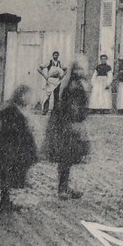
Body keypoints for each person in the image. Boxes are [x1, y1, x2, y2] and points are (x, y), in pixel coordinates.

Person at [44, 55, 91, 199]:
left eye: (83, 69)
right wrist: (75, 121)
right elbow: (71, 107)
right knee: (66, 157)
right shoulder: (73, 86)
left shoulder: (79, 85)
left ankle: (65, 186)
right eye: (78, 69)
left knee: (69, 158)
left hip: (73, 123)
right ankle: (62, 188)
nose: (81, 72)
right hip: (68, 125)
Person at [0, 84, 37, 212]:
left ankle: (5, 200)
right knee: (0, 174)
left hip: (14, 146)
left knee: (7, 175)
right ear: (21, 95)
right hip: (6, 146)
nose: (30, 99)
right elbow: (11, 128)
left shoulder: (22, 109)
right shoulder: (11, 110)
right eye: (28, 96)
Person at [36, 50, 66, 115]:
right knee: (47, 96)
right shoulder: (49, 62)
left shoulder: (60, 63)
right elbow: (39, 68)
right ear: (52, 56)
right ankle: (45, 110)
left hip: (57, 81)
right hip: (50, 81)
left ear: (58, 56)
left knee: (56, 97)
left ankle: (55, 112)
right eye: (55, 55)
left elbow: (65, 70)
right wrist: (45, 76)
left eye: (57, 55)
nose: (56, 56)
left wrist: (62, 76)